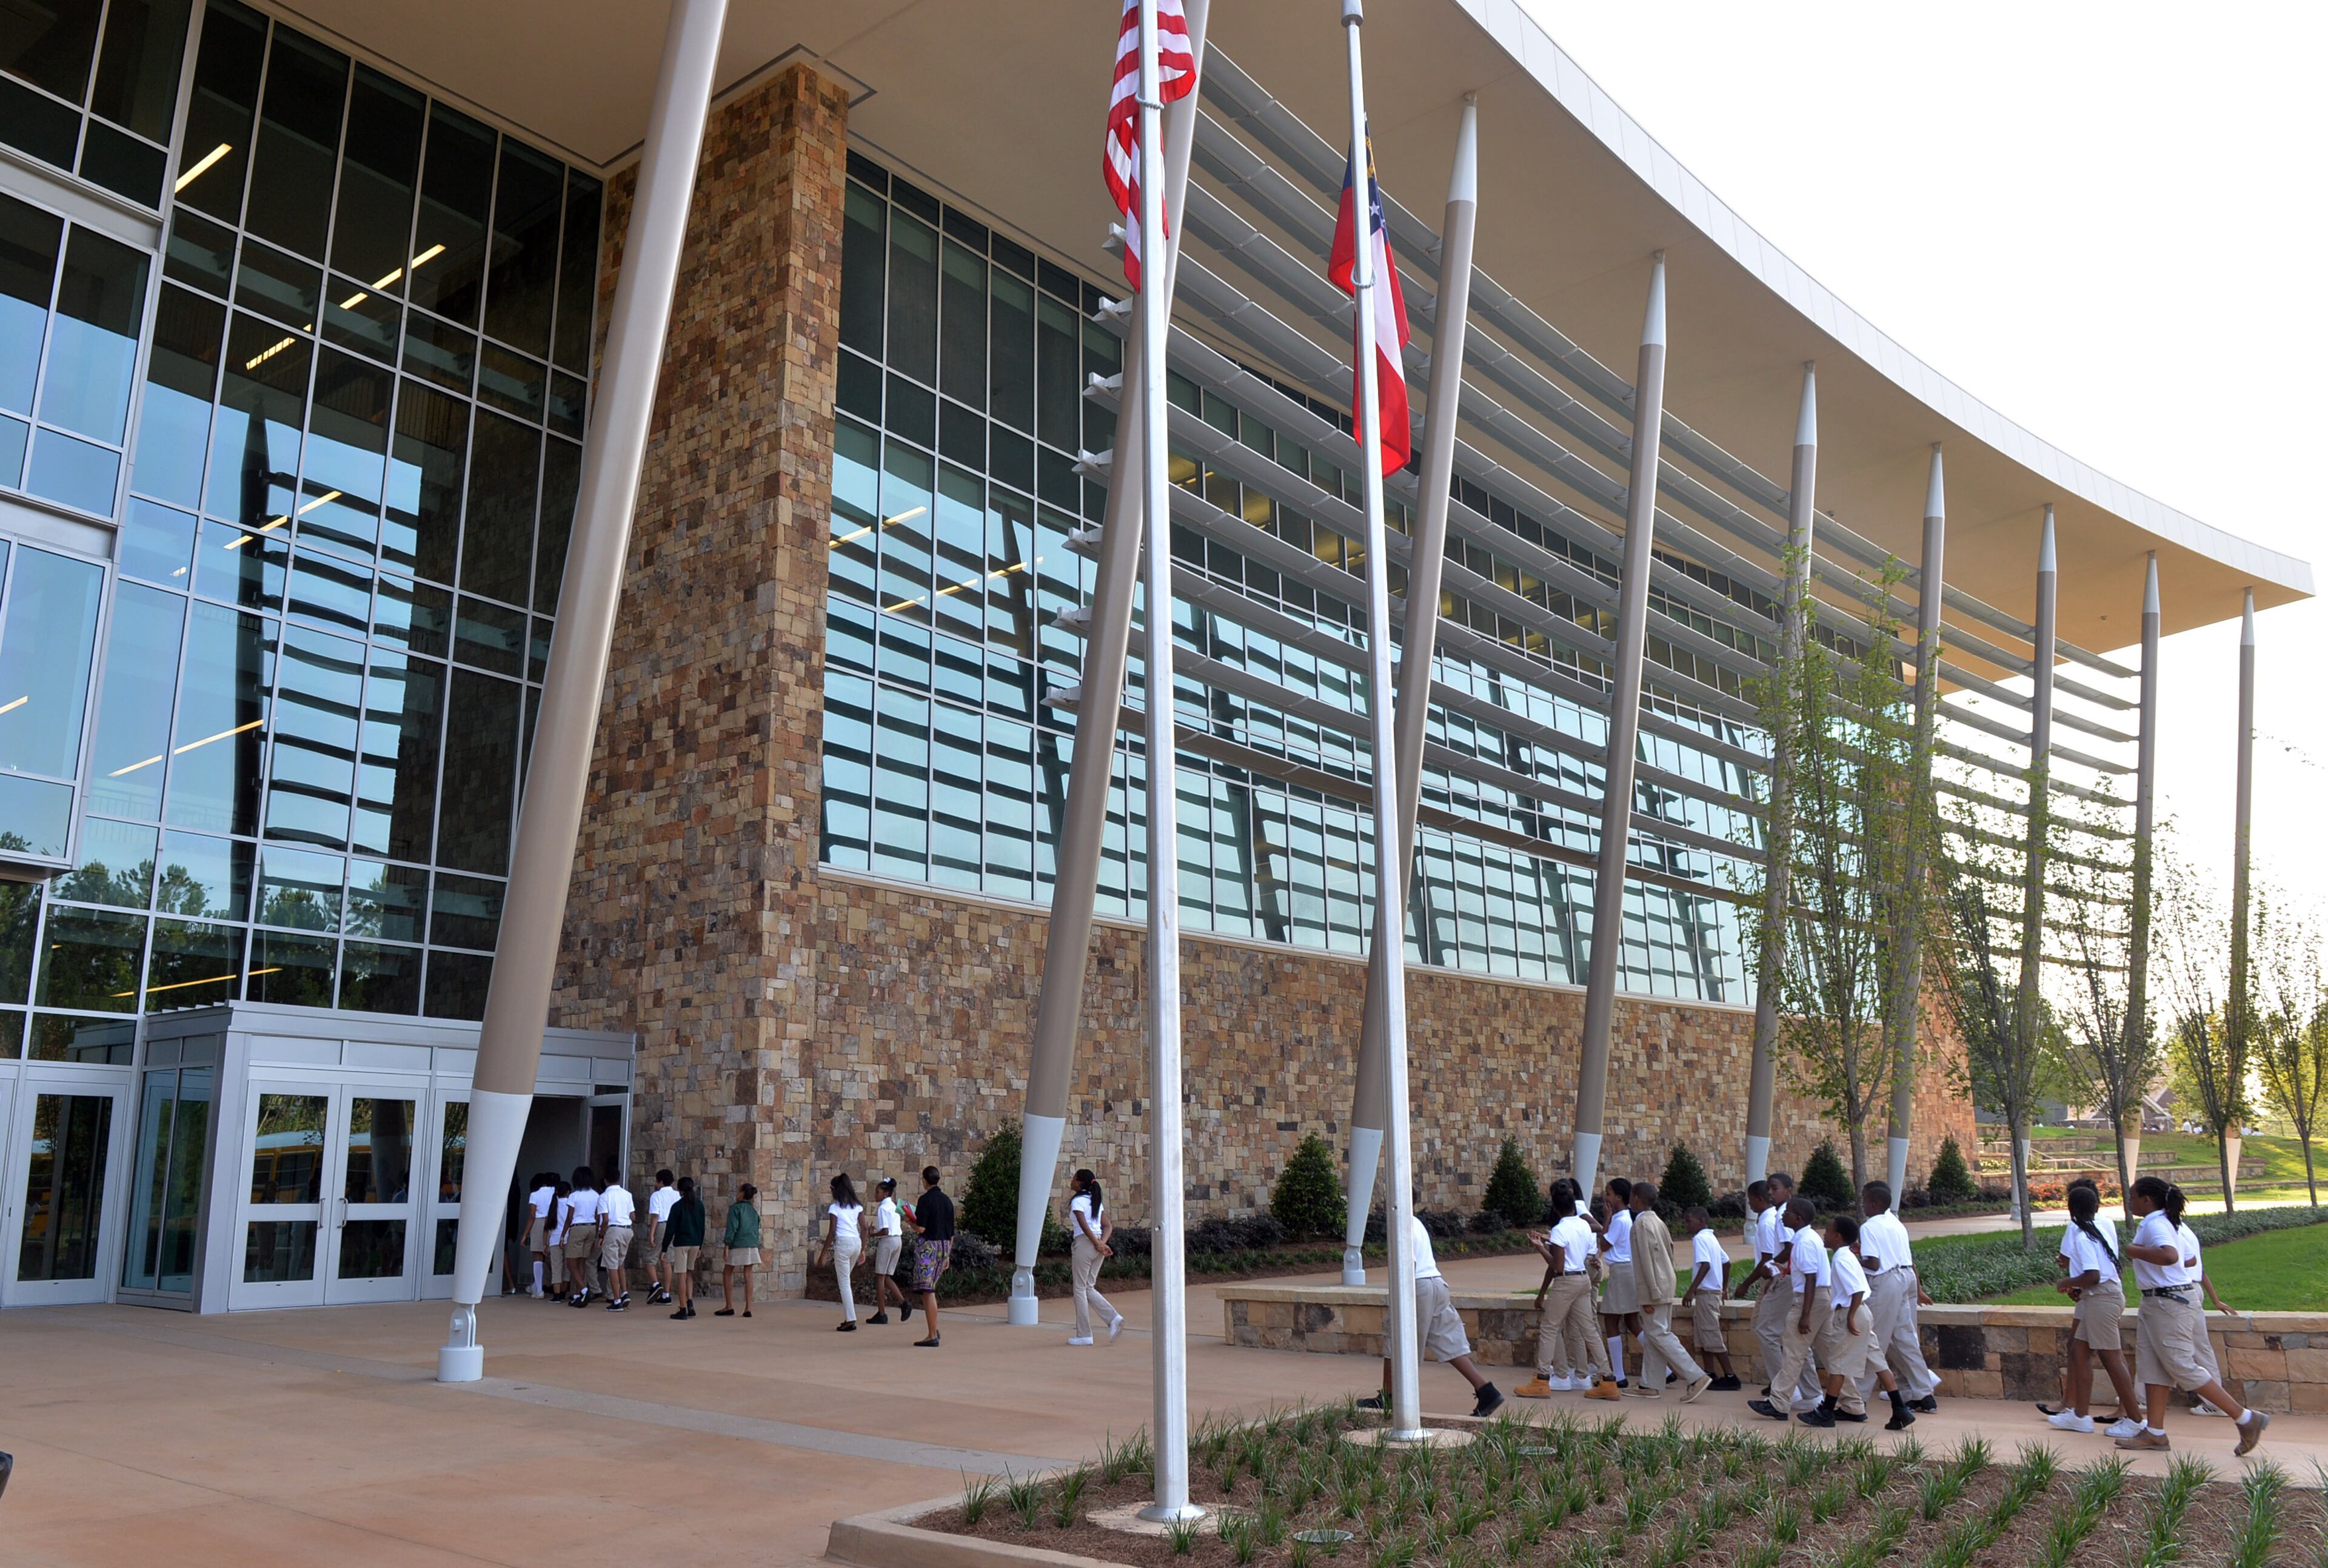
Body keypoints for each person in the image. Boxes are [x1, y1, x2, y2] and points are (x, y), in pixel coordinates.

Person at [2119, 1176, 2265, 1453]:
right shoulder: (2165, 1222)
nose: (2129, 1202)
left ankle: (2246, 1418)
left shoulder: (2158, 1224)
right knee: (2152, 1368)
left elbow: (2171, 1256)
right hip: (2157, 1301)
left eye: (2132, 1197)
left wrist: (2133, 1250)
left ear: (2147, 1200)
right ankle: (2155, 1432)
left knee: (2181, 1365)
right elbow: (2188, 1259)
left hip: (2169, 1302)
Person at [1359, 1207, 1502, 1418]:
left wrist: (1401, 1294)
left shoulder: (1400, 1225)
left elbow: (1409, 1263)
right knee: (1448, 1342)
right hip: (1436, 1284)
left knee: (1397, 1341)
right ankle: (1486, 1391)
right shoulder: (1417, 1222)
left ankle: (1389, 1398)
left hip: (1418, 1287)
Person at [2047, 1181, 2143, 1437]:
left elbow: (2093, 1276)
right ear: (2096, 1208)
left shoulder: (2082, 1237)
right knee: (2079, 1352)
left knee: (2111, 1359)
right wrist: (2081, 1288)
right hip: (2099, 1298)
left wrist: (2066, 1283)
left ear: (2071, 1210)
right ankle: (2080, 1416)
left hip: (2102, 1299)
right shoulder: (2098, 1230)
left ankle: (2136, 1421)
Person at [1519, 1179, 1621, 1400]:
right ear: (1575, 1205)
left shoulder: (1558, 1230)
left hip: (1566, 1282)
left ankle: (1542, 1379)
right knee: (1589, 1330)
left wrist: (1539, 1247)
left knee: (1549, 1328)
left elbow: (1558, 1266)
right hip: (1584, 1279)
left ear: (1555, 1208)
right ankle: (1608, 1379)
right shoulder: (1584, 1225)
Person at [1822, 1214, 1913, 1430]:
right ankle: (1900, 1409)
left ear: (1837, 1237)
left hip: (1850, 1313)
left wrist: (1851, 1317)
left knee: (1838, 1364)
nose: (1824, 1235)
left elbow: (1857, 1290)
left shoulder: (1841, 1259)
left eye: (1827, 1231)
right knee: (1877, 1361)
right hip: (1863, 1313)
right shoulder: (1849, 1256)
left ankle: (1826, 1412)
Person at [1856, 1181, 1940, 1414]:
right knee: (1904, 1339)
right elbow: (1907, 1258)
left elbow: (1873, 1263)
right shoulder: (1896, 1223)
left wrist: (1853, 1256)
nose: (1862, 1205)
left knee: (1874, 1340)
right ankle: (1924, 1394)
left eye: (1864, 1200)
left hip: (1886, 1282)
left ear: (1874, 1203)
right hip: (1906, 1278)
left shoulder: (1869, 1226)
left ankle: (1856, 1399)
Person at [1624, 1181, 1712, 1402]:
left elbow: (1646, 1260)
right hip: (1664, 1282)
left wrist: (1650, 1293)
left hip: (1655, 1286)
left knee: (1659, 1333)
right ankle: (1650, 1384)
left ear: (1636, 1198)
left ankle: (1695, 1376)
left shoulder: (1641, 1224)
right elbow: (1669, 1253)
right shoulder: (1657, 1222)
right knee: (1655, 1333)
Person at [1750, 1197, 1827, 1423]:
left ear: (1799, 1218)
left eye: (1788, 1212)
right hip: (1816, 1298)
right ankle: (1847, 1401)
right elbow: (1805, 1273)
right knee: (1826, 1352)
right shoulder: (1804, 1238)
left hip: (1809, 1300)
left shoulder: (1803, 1241)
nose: (1783, 1215)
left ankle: (1780, 1402)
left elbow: (1811, 1279)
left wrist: (1805, 1314)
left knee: (1793, 1351)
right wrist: (1783, 1269)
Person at [2176, 1206, 2246, 1415]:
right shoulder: (2185, 1230)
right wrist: (2216, 1300)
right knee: (2198, 1347)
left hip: (2180, 1293)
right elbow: (2200, 1269)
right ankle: (2141, 1397)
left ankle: (2216, 1404)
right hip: (2193, 1290)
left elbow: (2192, 1267)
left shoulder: (2171, 1231)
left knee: (2187, 1349)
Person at [1063, 1167, 1124, 1346]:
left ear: (1080, 1183)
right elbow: (1108, 1226)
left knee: (1080, 1289)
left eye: (1074, 1178)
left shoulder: (1078, 1202)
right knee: (1088, 1287)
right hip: (1097, 1246)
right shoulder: (1095, 1201)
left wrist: (1098, 1243)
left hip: (1085, 1244)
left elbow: (1083, 1226)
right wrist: (1102, 1243)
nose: (1072, 1181)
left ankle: (1084, 1334)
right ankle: (1114, 1319)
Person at [1682, 1205, 1738, 1389]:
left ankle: (1731, 1376)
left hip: (1706, 1294)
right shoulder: (1711, 1238)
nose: (1686, 1225)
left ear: (1702, 1221)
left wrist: (1691, 1290)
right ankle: (1709, 1374)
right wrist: (1724, 1288)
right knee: (1703, 1335)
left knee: (1711, 1335)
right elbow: (1727, 1262)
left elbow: (1705, 1265)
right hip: (1710, 1293)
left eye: (1689, 1221)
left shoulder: (1700, 1239)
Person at [903, 1166, 955, 1346]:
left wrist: (910, 1222)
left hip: (929, 1247)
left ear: (925, 1181)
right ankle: (934, 1327)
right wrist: (948, 1255)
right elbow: (952, 1232)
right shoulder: (947, 1201)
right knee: (931, 1288)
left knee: (927, 1290)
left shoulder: (925, 1200)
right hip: (944, 1246)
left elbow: (922, 1228)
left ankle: (932, 1334)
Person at [1596, 1176, 1639, 1387]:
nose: (1607, 1197)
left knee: (1611, 1321)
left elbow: (1604, 1245)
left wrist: (1606, 1218)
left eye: (1609, 1193)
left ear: (1619, 1197)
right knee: (1632, 1321)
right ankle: (1666, 1370)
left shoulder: (1620, 1220)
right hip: (1627, 1271)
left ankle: (1619, 1375)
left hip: (1621, 1273)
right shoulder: (1625, 1218)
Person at [820, 1173, 866, 1330]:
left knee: (844, 1284)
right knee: (846, 1280)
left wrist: (823, 1254)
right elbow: (865, 1229)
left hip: (844, 1244)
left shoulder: (835, 1208)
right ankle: (849, 1317)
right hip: (856, 1243)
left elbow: (832, 1232)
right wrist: (863, 1250)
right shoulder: (857, 1206)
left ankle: (851, 1319)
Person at [718, 1181, 761, 1319]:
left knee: (728, 1271)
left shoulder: (735, 1209)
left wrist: (726, 1245)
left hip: (738, 1243)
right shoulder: (753, 1211)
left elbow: (732, 1228)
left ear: (742, 1194)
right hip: (752, 1243)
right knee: (748, 1273)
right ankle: (748, 1308)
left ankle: (729, 1305)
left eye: (738, 1191)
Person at [868, 1176, 908, 1326]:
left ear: (885, 1193)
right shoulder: (895, 1206)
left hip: (888, 1241)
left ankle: (882, 1312)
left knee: (880, 1276)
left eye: (878, 1192)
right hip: (898, 1240)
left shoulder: (883, 1208)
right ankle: (903, 1303)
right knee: (887, 1277)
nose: (875, 1195)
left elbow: (885, 1230)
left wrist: (872, 1234)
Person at [665, 1176, 705, 1319]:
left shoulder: (677, 1206)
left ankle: (682, 1309)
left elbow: (670, 1229)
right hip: (695, 1243)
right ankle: (690, 1302)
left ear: (680, 1190)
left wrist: (664, 1248)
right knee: (689, 1273)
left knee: (681, 1275)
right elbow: (702, 1226)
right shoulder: (699, 1205)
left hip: (682, 1243)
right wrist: (700, 1244)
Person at [562, 1167, 603, 1307]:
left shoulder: (574, 1196)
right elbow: (598, 1216)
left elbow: (569, 1218)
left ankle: (584, 1290)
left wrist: (563, 1235)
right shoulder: (596, 1195)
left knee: (570, 1262)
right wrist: (597, 1232)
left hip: (578, 1228)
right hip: (592, 1227)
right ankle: (579, 1293)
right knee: (582, 1261)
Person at [599, 1168, 637, 1311]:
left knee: (612, 1266)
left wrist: (601, 1235)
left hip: (613, 1230)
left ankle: (616, 1300)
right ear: (619, 1179)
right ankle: (624, 1293)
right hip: (627, 1230)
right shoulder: (627, 1195)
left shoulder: (604, 1197)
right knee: (620, 1263)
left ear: (605, 1180)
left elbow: (605, 1220)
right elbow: (633, 1216)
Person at [645, 1169, 679, 1307]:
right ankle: (666, 1294)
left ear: (660, 1182)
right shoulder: (677, 1195)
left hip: (662, 1225)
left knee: (649, 1258)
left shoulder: (656, 1195)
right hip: (674, 1227)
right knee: (666, 1260)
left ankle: (656, 1284)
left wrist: (651, 1234)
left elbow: (655, 1216)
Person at [525, 1172, 556, 1298]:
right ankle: (556, 1285)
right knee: (553, 1256)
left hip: (539, 1222)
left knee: (538, 1256)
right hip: (554, 1221)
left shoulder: (534, 1195)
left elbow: (532, 1215)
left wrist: (525, 1234)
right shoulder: (555, 1191)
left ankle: (539, 1289)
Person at [544, 1177, 574, 1301]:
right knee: (567, 1267)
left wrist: (545, 1243)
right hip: (568, 1238)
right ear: (568, 1192)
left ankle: (556, 1295)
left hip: (554, 1238)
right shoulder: (570, 1204)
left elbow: (547, 1227)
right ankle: (563, 1293)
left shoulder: (552, 1205)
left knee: (556, 1267)